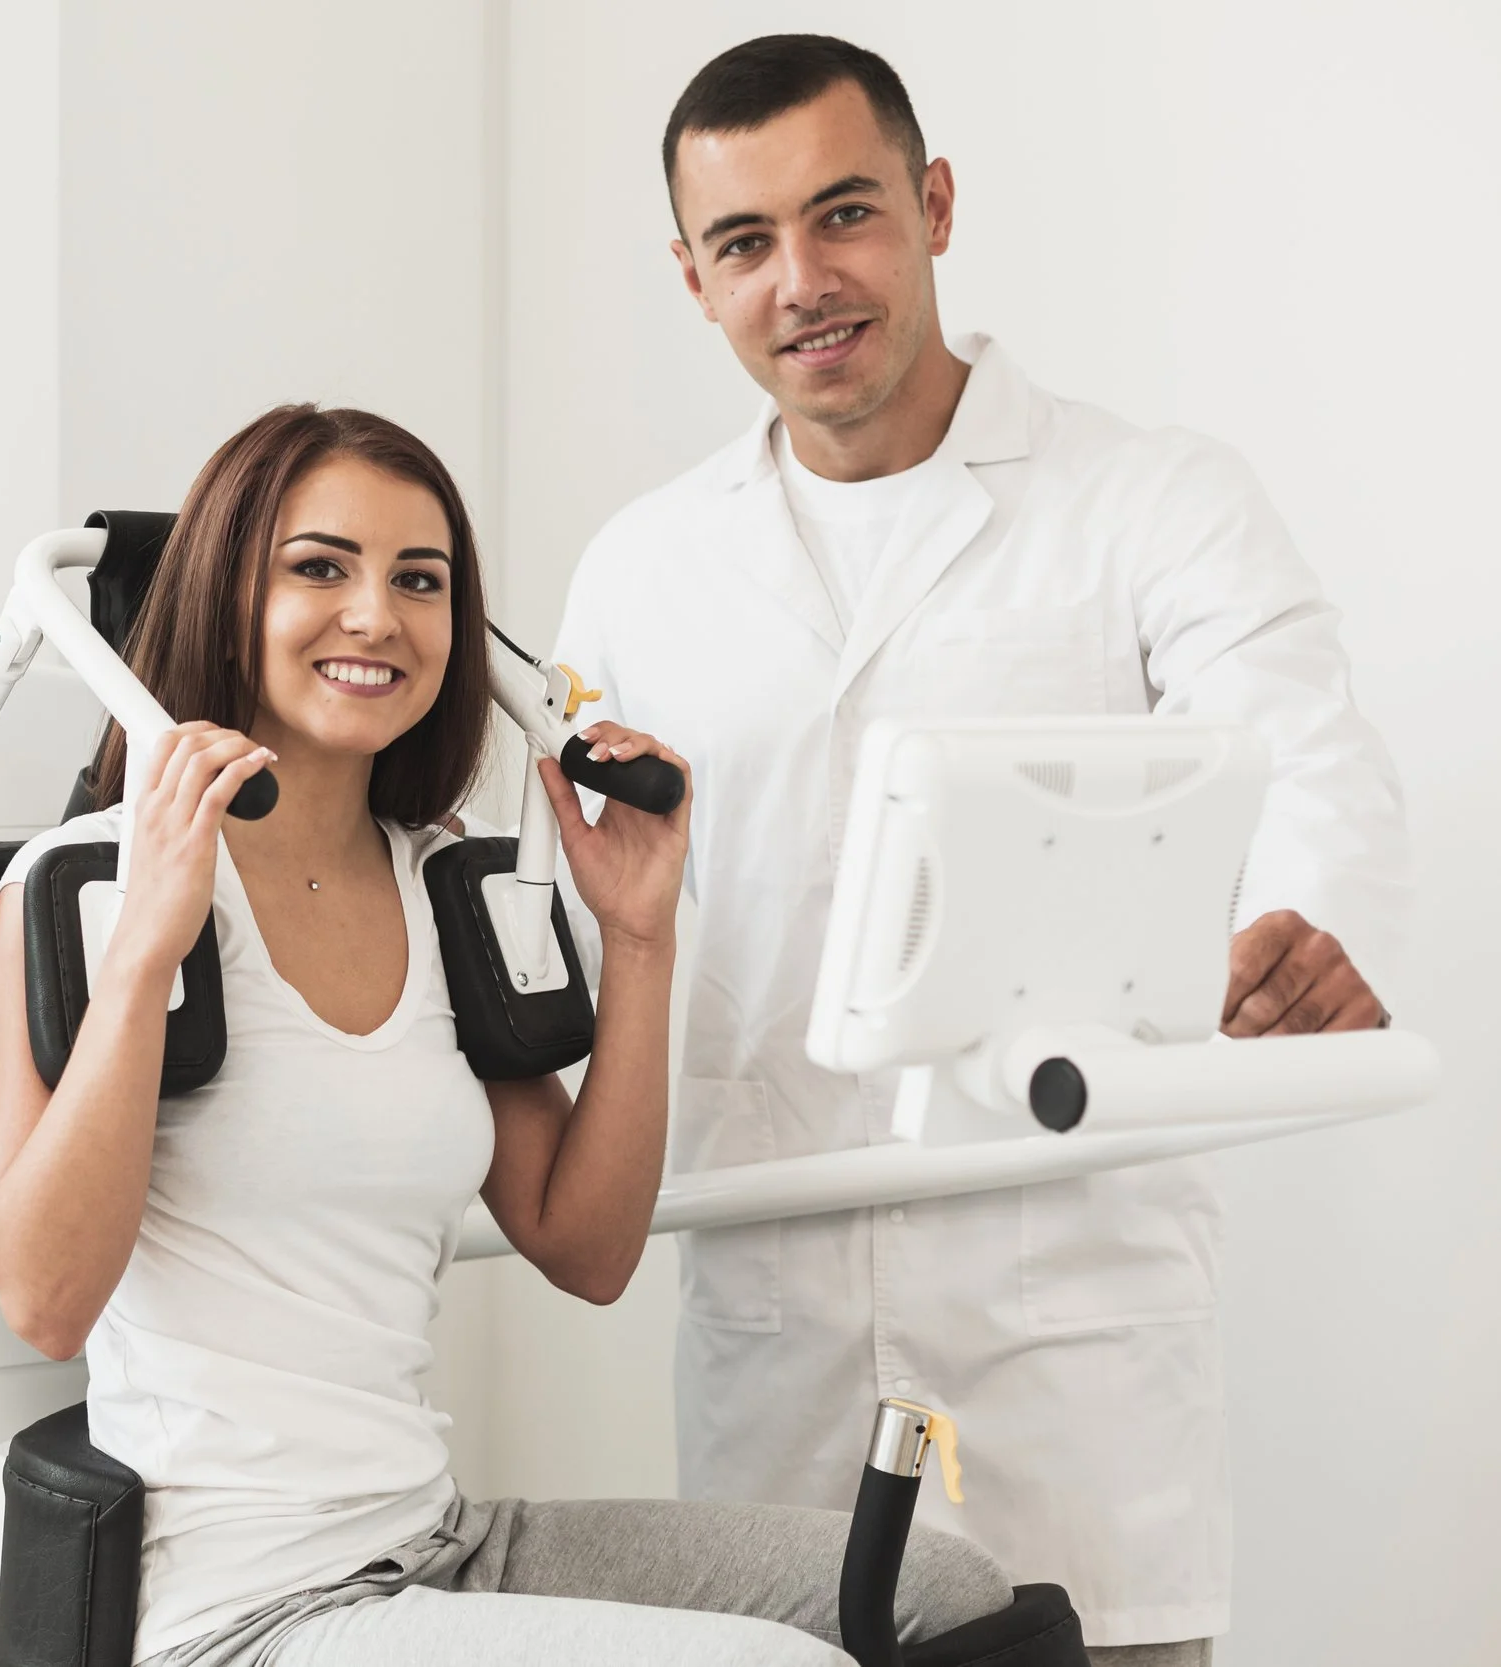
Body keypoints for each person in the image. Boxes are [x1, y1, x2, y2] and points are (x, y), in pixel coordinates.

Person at [553, 34, 1411, 1667]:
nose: (803, 281)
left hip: (1071, 1356)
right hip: (772, 1350)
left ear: (935, 205)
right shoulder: (643, 572)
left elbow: (1307, 757)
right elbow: (585, 926)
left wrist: (1298, 915)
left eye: (847, 214)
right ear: (692, 278)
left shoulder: (1151, 503)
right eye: (745, 244)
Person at [0, 403, 1011, 1666]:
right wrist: (146, 951)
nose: (377, 616)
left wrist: (639, 937)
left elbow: (585, 1245)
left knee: (951, 1593)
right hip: (236, 1609)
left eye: (421, 580)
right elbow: (43, 1298)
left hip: (436, 1539)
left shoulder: (445, 884)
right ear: (223, 596)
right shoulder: (80, 887)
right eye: (319, 567)